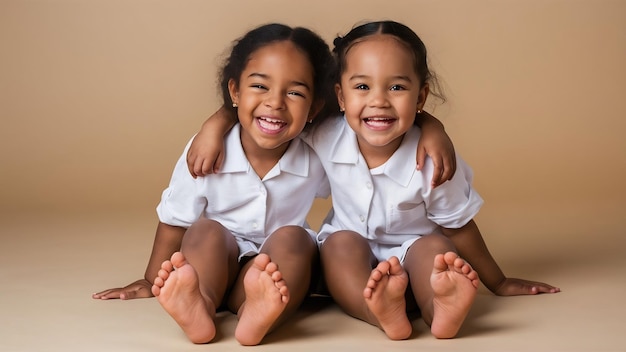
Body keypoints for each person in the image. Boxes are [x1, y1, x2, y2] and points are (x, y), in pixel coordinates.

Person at [190, 20, 560, 341]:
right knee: (337, 246)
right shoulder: (327, 133)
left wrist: (497, 281)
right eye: (363, 87)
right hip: (349, 252)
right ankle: (380, 312)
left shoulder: (432, 159)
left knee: (437, 252)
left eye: (397, 88)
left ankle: (441, 309)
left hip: (413, 252)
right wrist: (214, 125)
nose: (379, 101)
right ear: (340, 95)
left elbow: (459, 225)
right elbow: (273, 115)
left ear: (421, 97)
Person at [93, 23, 336, 346]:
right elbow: (175, 218)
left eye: (294, 92)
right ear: (235, 92)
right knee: (204, 230)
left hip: (271, 273)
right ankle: (200, 305)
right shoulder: (206, 151)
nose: (275, 102)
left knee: (295, 239)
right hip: (215, 268)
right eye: (260, 86)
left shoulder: (318, 153)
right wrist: (152, 279)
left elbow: (365, 158)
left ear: (314, 108)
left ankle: (258, 312)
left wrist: (428, 128)